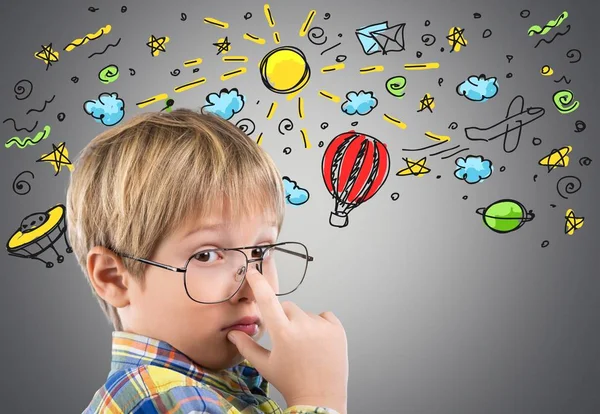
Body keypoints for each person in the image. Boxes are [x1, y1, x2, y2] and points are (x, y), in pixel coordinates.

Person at [66, 109, 349, 414]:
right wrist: (319, 396)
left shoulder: (210, 389)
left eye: (261, 252)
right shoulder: (168, 400)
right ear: (114, 278)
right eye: (207, 255)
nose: (252, 289)